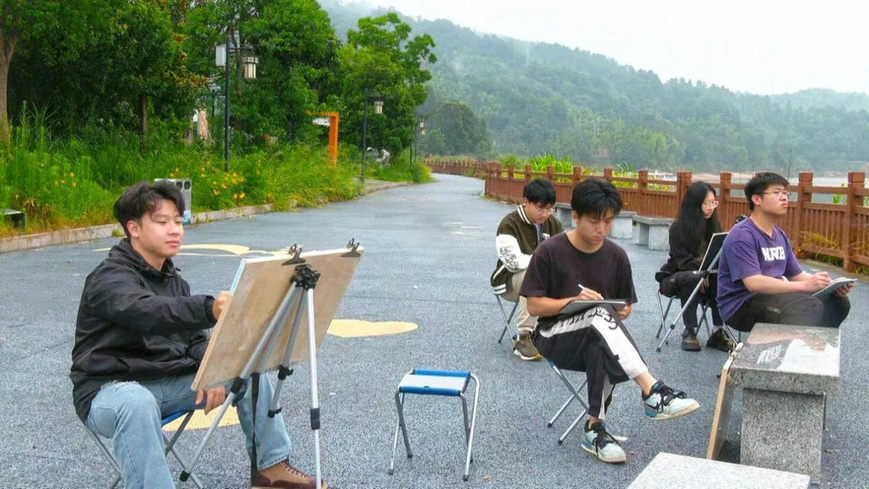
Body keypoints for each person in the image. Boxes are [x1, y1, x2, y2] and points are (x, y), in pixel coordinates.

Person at [70, 181, 325, 489]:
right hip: (108, 392)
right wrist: (209, 308)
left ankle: (271, 469)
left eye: (179, 221)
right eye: (162, 222)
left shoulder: (173, 279)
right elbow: (147, 312)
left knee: (247, 371)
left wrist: (211, 371)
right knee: (136, 402)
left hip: (166, 382)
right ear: (133, 228)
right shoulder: (108, 279)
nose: (175, 229)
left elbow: (194, 341)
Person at [521, 178, 699, 464]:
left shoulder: (616, 256)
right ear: (575, 216)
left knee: (601, 341)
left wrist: (621, 311)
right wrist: (572, 303)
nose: (601, 229)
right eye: (594, 221)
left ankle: (595, 428)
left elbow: (624, 307)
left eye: (608, 221)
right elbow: (533, 305)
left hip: (596, 336)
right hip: (552, 335)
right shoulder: (550, 251)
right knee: (600, 318)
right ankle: (652, 391)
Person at [717, 172, 852, 332]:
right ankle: (788, 353)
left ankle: (813, 348)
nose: (784, 197)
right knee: (805, 306)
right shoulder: (742, 235)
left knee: (838, 302)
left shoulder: (779, 234)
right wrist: (804, 286)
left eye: (785, 193)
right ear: (756, 199)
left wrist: (827, 286)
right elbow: (754, 283)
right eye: (776, 192)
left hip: (774, 297)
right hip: (741, 304)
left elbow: (796, 274)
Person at [490, 178, 564, 360]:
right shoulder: (509, 224)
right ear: (525, 202)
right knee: (531, 276)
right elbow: (513, 263)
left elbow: (564, 255)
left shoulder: (553, 224)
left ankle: (558, 332)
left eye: (549, 208)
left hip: (542, 281)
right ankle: (524, 336)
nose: (545, 213)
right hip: (509, 281)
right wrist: (546, 265)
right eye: (540, 208)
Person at [656, 181, 734, 352]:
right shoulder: (678, 228)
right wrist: (701, 272)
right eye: (706, 203)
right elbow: (682, 261)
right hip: (676, 276)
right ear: (694, 204)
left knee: (722, 277)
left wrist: (707, 272)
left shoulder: (714, 226)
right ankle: (690, 331)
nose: (710, 207)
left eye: (713, 202)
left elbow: (717, 257)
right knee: (693, 277)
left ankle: (717, 331)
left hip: (705, 277)